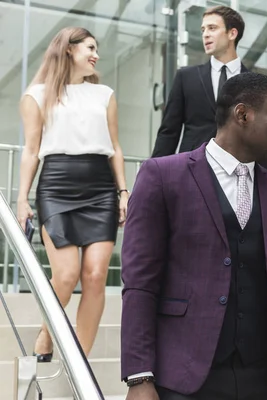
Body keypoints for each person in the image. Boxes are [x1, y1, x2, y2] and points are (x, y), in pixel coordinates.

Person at [120, 72, 267, 400]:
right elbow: (139, 284)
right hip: (184, 377)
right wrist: (139, 377)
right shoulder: (162, 177)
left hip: (264, 380)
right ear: (243, 114)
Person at [16, 27, 128, 361]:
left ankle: (81, 360)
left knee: (95, 276)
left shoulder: (104, 94)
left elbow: (115, 148)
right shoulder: (36, 95)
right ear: (68, 49)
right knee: (65, 275)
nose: (96, 55)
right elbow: (31, 150)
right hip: (56, 187)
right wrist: (22, 199)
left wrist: (122, 191)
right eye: (90, 48)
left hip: (100, 190)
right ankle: (48, 332)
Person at [151, 6, 263, 164]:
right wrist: (153, 176)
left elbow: (260, 135)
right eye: (203, 29)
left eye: (212, 28)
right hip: (193, 168)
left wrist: (263, 182)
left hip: (237, 168)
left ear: (232, 33)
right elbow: (169, 132)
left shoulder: (255, 83)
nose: (205, 34)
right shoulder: (185, 77)